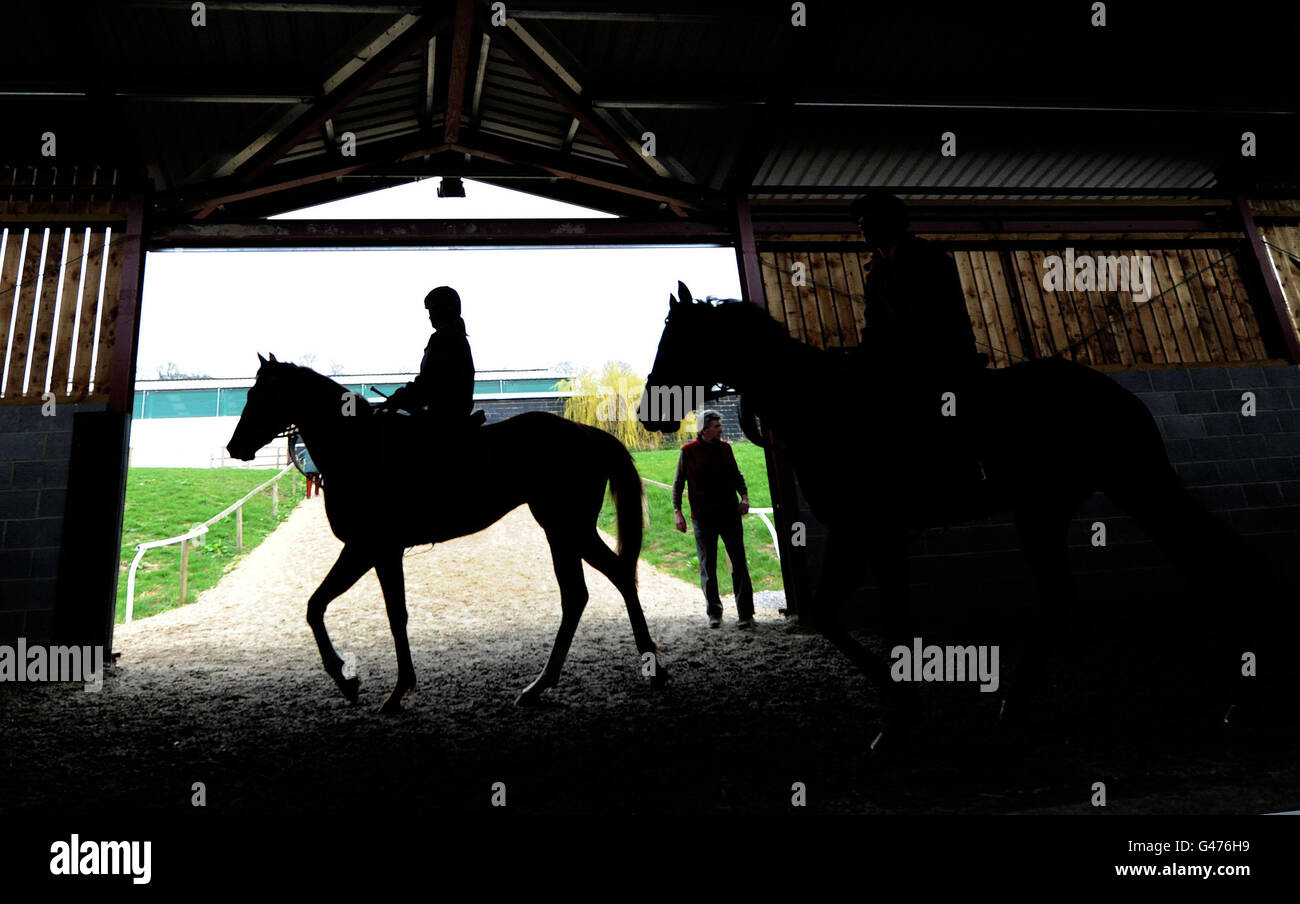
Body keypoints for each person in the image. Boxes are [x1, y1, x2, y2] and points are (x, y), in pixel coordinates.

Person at [850, 191, 988, 486]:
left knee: (942, 400)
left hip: (941, 354)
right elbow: (873, 322)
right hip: (899, 355)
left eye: (866, 222)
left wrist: (895, 348)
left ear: (889, 223)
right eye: (860, 223)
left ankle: (970, 467)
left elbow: (932, 316)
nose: (861, 228)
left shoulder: (928, 258)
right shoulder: (875, 271)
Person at [672, 409, 755, 629]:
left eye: (720, 426)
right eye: (717, 426)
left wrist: (744, 497)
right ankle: (714, 613)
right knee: (708, 566)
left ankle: (746, 613)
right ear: (705, 429)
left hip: (729, 514)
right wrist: (677, 511)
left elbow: (737, 475)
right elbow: (678, 483)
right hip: (702, 517)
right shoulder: (688, 452)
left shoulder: (726, 449)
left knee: (739, 562)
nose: (721, 429)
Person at [377, 286, 475, 426]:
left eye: (432, 310)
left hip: (443, 421)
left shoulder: (443, 339)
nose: (430, 316)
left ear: (442, 310)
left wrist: (399, 398)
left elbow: (428, 385)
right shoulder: (457, 338)